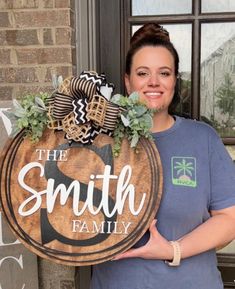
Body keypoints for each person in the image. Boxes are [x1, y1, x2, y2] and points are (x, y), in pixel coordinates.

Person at [90, 23, 235, 289]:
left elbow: (230, 219)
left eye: (164, 73)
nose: (153, 82)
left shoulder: (203, 139)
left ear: (174, 80)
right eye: (142, 73)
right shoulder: (98, 140)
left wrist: (172, 249)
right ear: (127, 80)